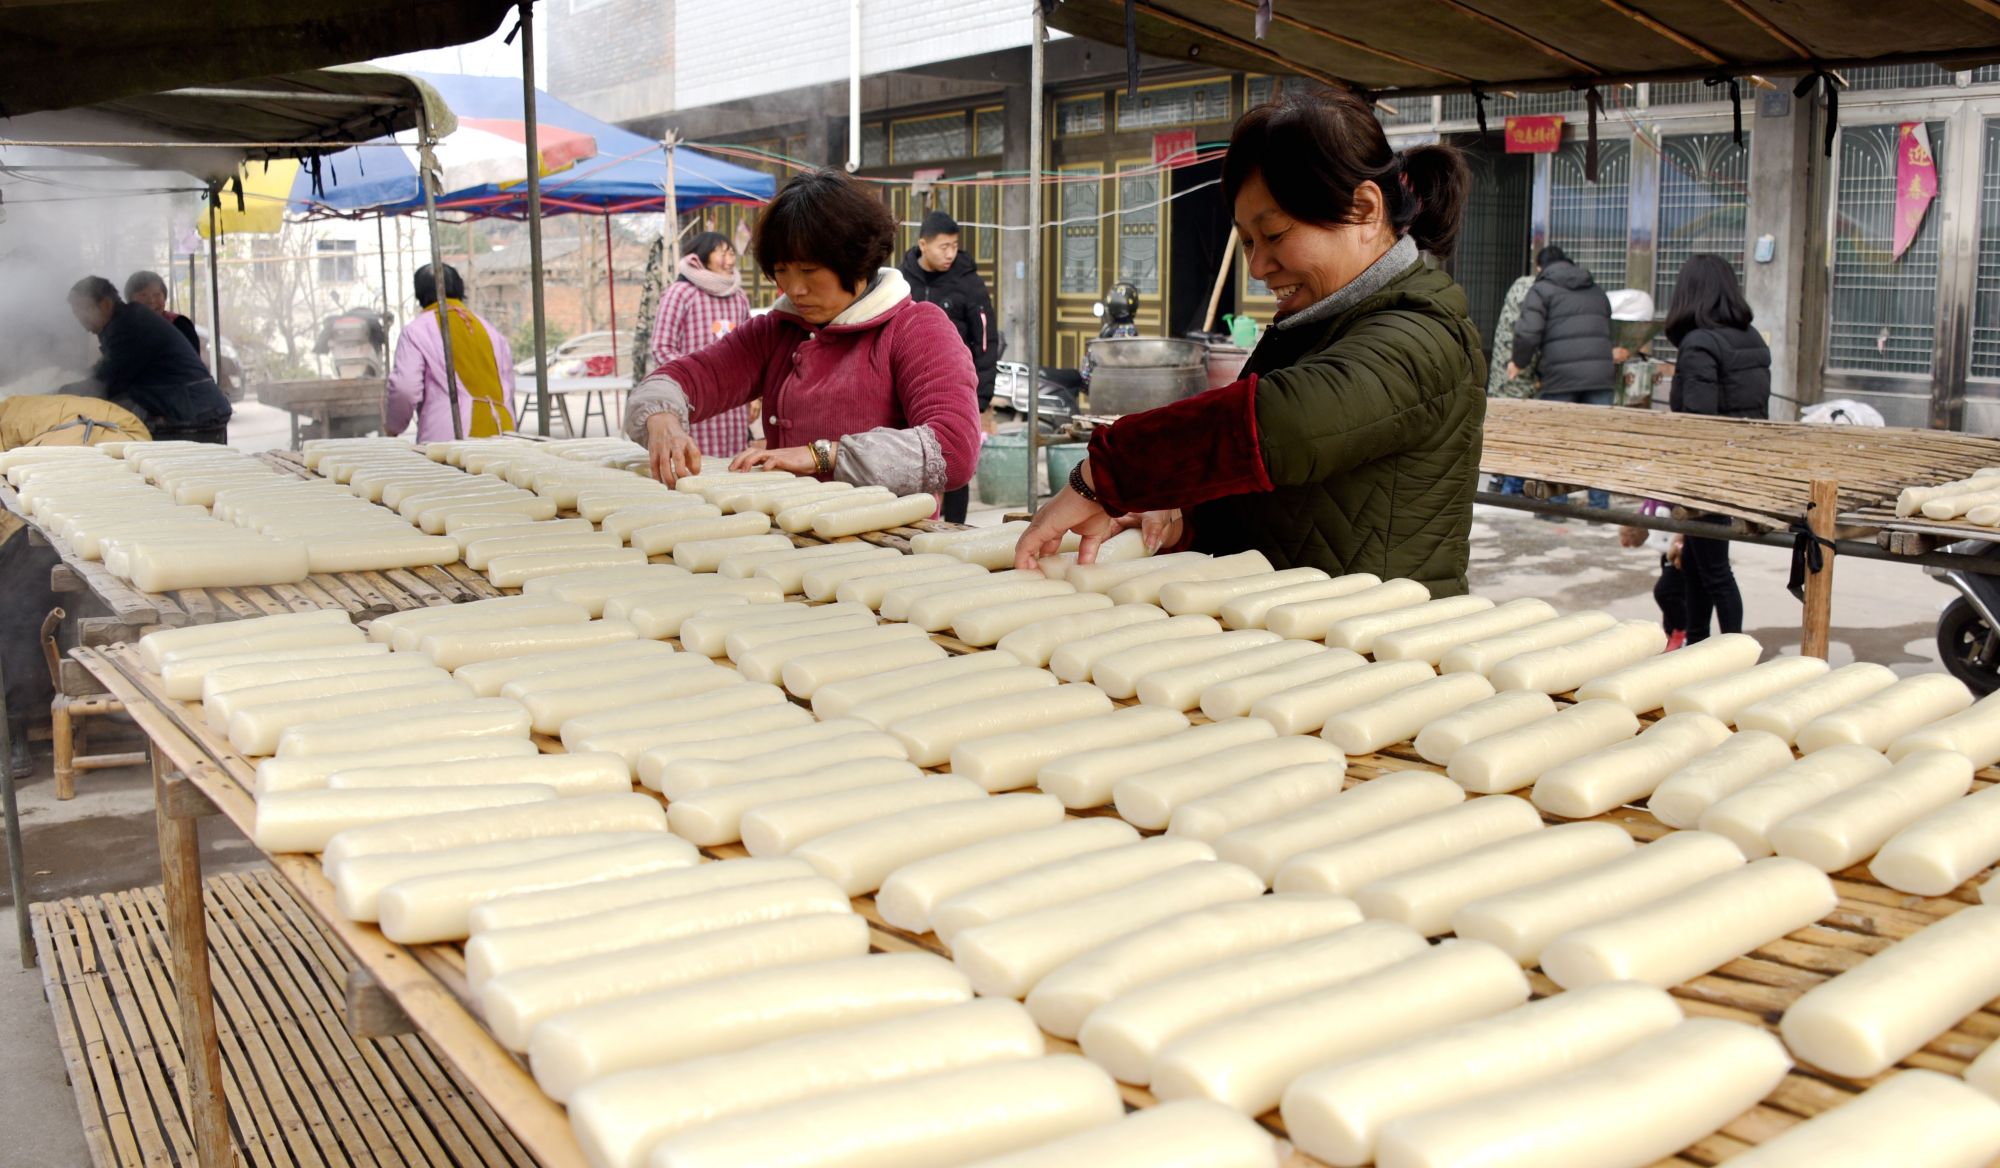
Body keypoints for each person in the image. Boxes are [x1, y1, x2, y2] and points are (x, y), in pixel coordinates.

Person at [1013, 86, 1485, 596]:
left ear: (1366, 211)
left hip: (1376, 648)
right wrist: (1185, 518)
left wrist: (1104, 476)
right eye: (1247, 242)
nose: (1258, 266)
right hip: (1286, 635)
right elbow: (1286, 504)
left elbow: (1287, 426)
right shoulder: (1316, 324)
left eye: (1276, 234)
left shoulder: (1422, 334)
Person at [626, 168, 980, 498]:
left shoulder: (915, 328)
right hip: (791, 539)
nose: (794, 288)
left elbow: (953, 448)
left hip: (890, 545)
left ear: (857, 261)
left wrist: (821, 455)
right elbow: (683, 377)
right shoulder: (777, 332)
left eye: (810, 270)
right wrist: (663, 418)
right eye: (781, 270)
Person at [1664, 253, 1771, 642]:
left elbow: (1698, 422)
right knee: (1694, 564)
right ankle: (1698, 642)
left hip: (1708, 473)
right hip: (1741, 464)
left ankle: (1734, 652)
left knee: (1715, 571)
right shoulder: (1751, 338)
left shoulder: (1700, 344)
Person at [898, 210, 998, 523]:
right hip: (909, 387)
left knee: (954, 462)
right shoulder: (900, 281)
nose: (950, 254)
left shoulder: (968, 284)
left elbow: (985, 342)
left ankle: (955, 529)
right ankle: (912, 528)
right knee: (910, 462)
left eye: (954, 246)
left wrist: (981, 399)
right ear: (923, 244)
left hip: (956, 389)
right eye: (944, 247)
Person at [62, 276, 231, 443]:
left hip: (196, 413)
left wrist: (59, 394)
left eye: (83, 312)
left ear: (105, 304)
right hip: (192, 410)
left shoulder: (129, 326)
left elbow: (106, 380)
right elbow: (109, 372)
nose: (81, 321)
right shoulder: (127, 320)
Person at [1510, 244, 1614, 509]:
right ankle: (1599, 506)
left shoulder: (1541, 289)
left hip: (1560, 376)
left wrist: (1518, 362)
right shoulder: (1596, 289)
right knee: (1597, 440)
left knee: (1557, 441)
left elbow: (1528, 332)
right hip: (1600, 375)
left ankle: (1555, 507)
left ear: (1540, 268)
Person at [650, 232, 754, 460]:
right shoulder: (680, 293)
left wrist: (753, 394)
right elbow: (662, 347)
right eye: (722, 253)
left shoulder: (738, 296)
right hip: (694, 399)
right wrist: (694, 380)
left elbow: (751, 350)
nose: (730, 260)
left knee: (730, 466)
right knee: (695, 465)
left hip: (732, 402)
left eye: (731, 253)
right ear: (701, 257)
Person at [384, 264, 517, 442]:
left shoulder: (416, 332)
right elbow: (508, 385)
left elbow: (405, 388)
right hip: (503, 432)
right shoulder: (490, 330)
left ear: (419, 294)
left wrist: (394, 426)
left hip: (451, 439)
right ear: (459, 289)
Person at [1486, 271, 1537, 496]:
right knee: (1520, 434)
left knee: (1502, 430)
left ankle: (1497, 481)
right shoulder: (1533, 295)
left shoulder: (1517, 289)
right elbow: (1529, 337)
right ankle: (1510, 489)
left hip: (1500, 375)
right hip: (1519, 378)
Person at [123, 270, 201, 358]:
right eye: (143, 295)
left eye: (157, 294)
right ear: (130, 300)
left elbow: (193, 364)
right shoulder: (122, 330)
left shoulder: (179, 324)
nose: (151, 301)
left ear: (164, 297)